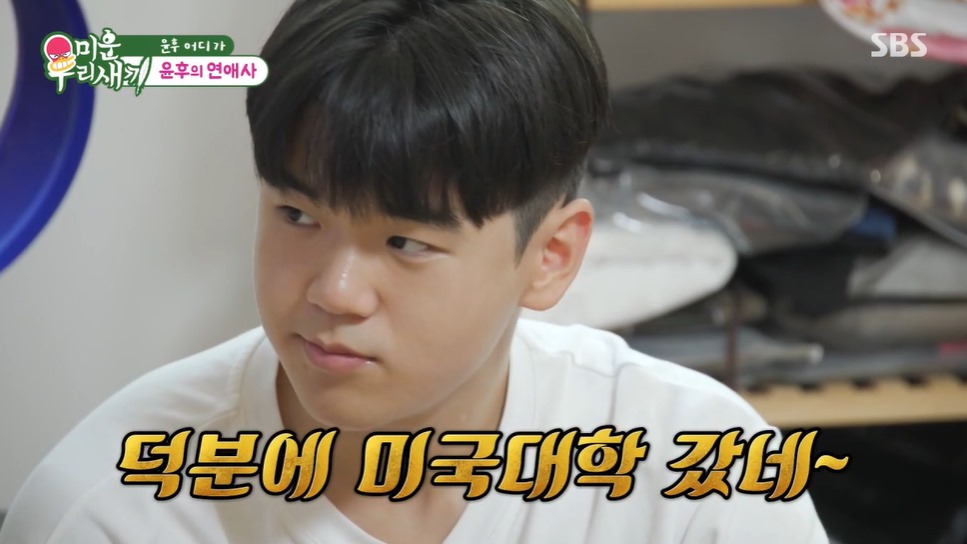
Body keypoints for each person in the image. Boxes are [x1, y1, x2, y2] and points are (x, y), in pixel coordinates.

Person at [0, 0, 830, 542]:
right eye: (298, 215)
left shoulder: (696, 480)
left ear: (550, 257)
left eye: (405, 243)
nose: (333, 292)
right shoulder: (109, 507)